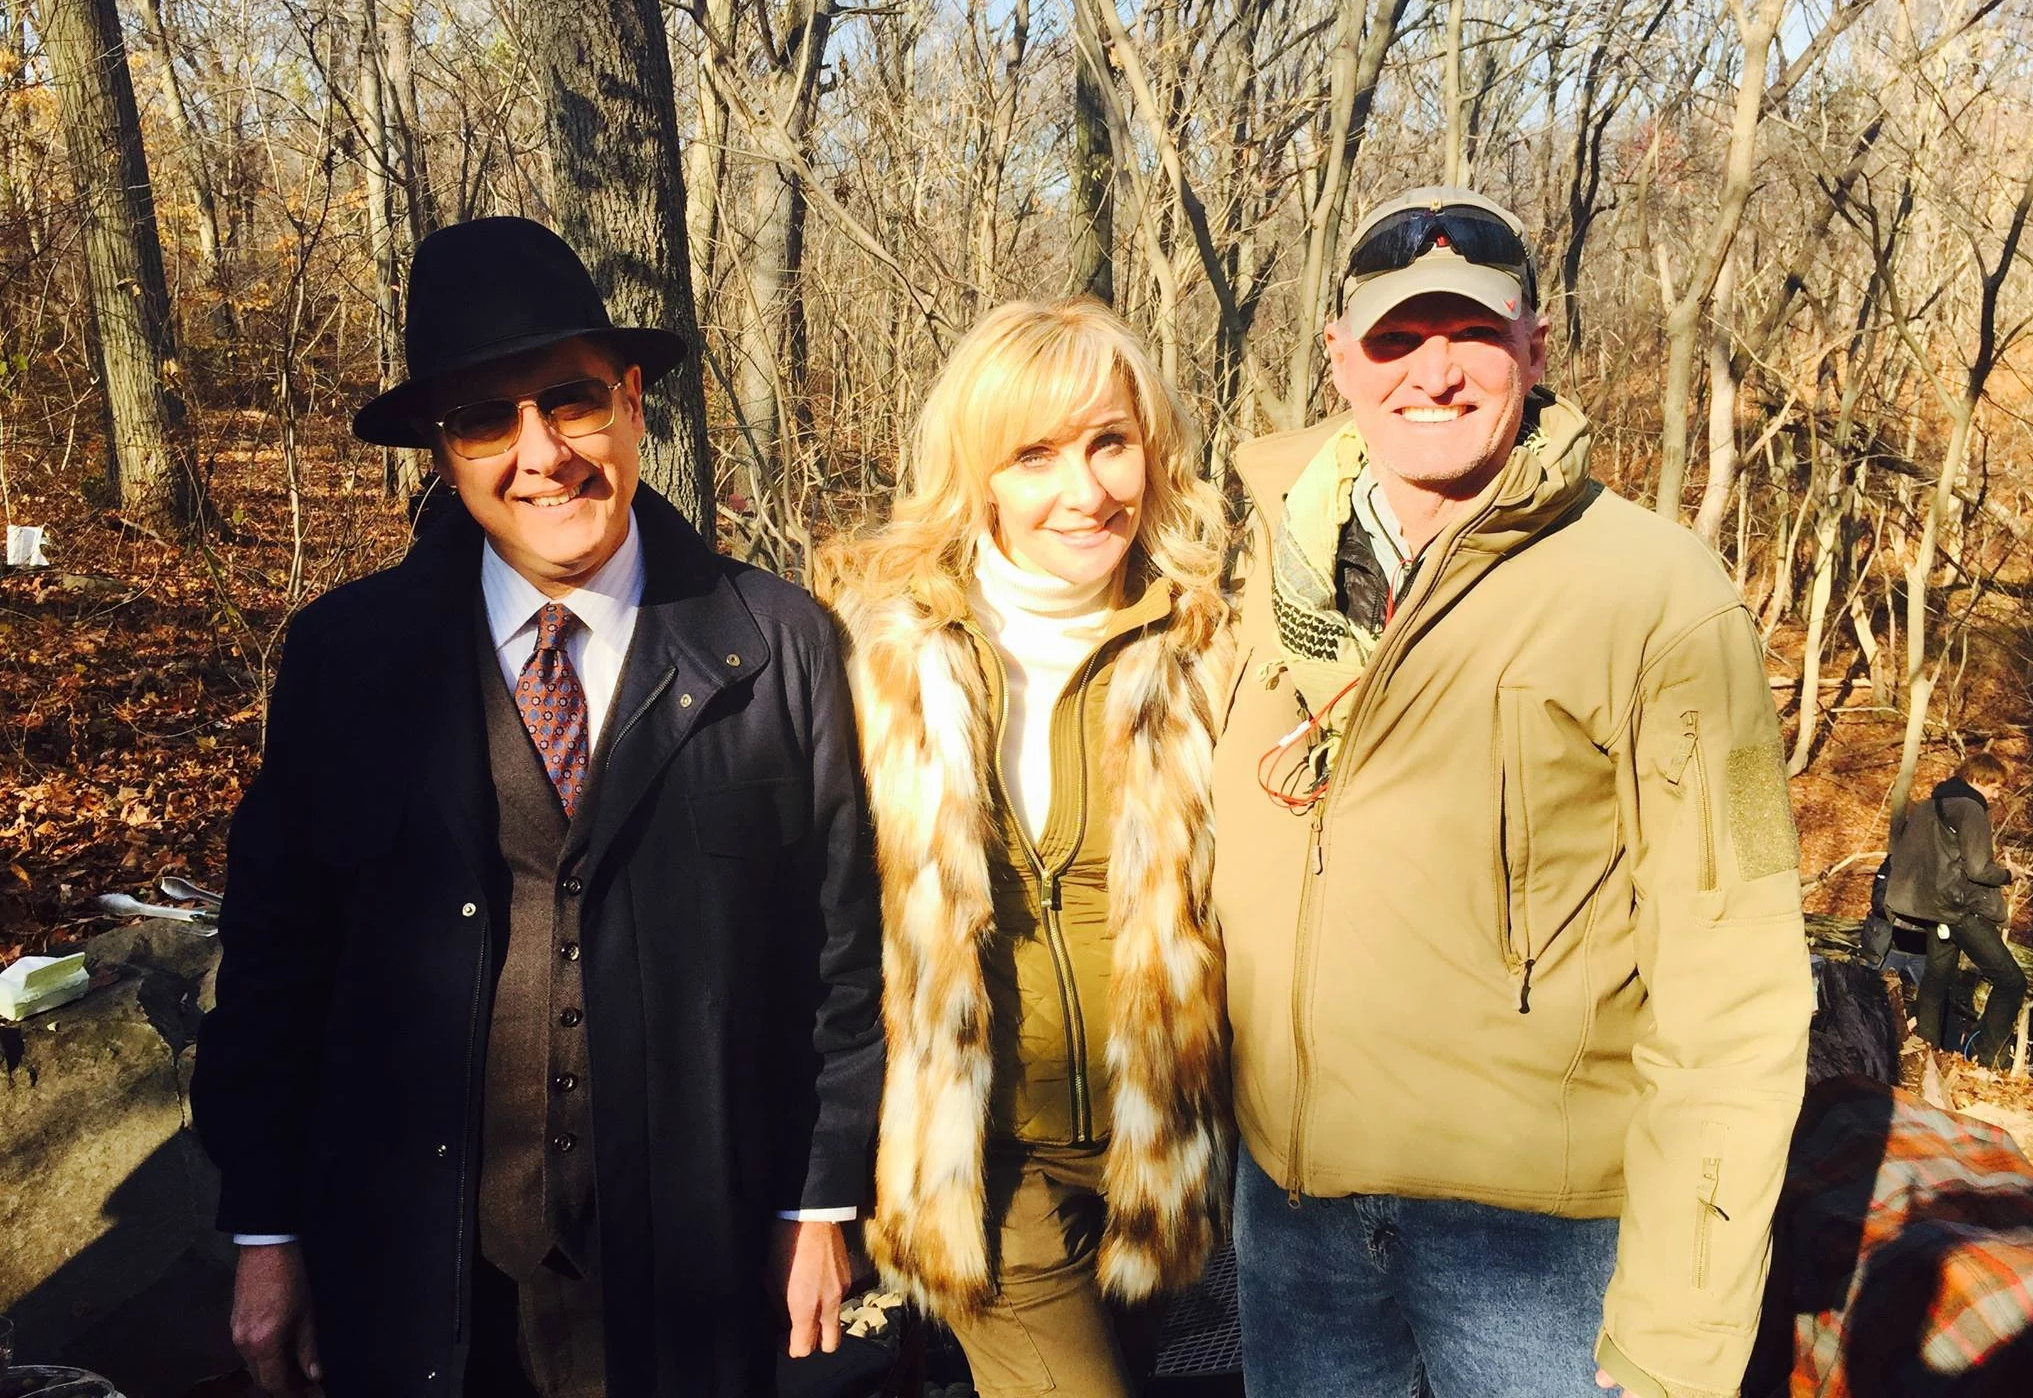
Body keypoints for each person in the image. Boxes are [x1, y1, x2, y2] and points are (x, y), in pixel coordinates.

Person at [191, 217, 883, 1398]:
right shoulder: (344, 664)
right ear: (442, 454)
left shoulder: (777, 646)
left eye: (567, 401)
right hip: (422, 1273)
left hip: (697, 1268)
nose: (541, 455)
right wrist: (266, 1232)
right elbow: (272, 970)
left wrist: (817, 1200)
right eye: (481, 420)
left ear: (631, 404)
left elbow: (842, 960)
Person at [1210, 186, 1812, 1398]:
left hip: (1539, 1249)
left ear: (1534, 348)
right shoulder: (1252, 584)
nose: (1431, 372)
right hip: (1295, 1227)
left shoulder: (1663, 598)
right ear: (1337, 359)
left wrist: (1676, 1337)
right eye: (1393, 337)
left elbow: (1737, 975)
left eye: (1471, 333)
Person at [816, 300, 1233, 1398]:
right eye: (1034, 455)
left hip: (1156, 1154)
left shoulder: (1205, 650)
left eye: (1109, 442)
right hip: (984, 1167)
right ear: (979, 474)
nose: (1085, 491)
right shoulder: (876, 659)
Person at [1886, 752, 2027, 1065]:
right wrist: (2009, 874)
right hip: (1958, 910)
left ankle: (1924, 1055)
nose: (1997, 794)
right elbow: (1978, 870)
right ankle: (1986, 1057)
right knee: (2012, 980)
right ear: (1976, 779)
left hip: (1929, 910)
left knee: (1936, 982)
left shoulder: (1928, 806)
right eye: (1995, 787)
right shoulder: (1971, 809)